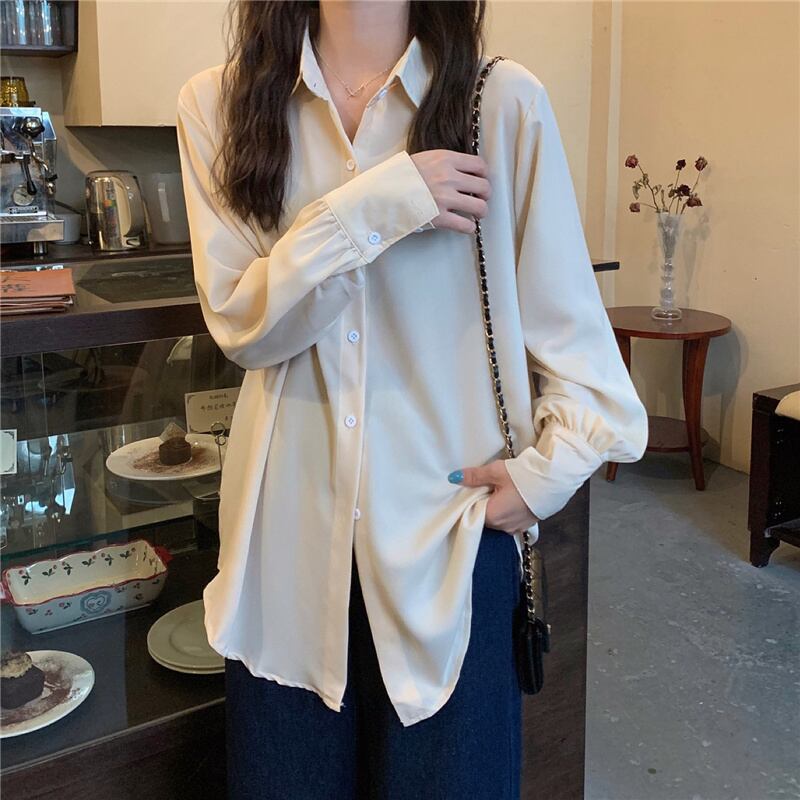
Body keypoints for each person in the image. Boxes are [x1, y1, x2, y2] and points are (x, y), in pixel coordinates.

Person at [175, 1, 648, 797]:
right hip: (282, 564)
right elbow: (244, 326)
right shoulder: (219, 105)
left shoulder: (499, 103)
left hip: (451, 548)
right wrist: (376, 205)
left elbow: (584, 359)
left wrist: (543, 477)